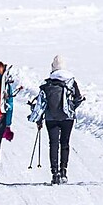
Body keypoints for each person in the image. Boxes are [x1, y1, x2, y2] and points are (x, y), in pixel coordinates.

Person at [35, 55, 83, 184]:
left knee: (53, 144)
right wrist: (71, 108)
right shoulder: (71, 82)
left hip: (51, 118)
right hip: (67, 117)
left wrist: (39, 119)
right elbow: (78, 98)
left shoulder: (47, 83)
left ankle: (54, 173)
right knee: (65, 143)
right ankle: (63, 171)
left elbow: (41, 103)